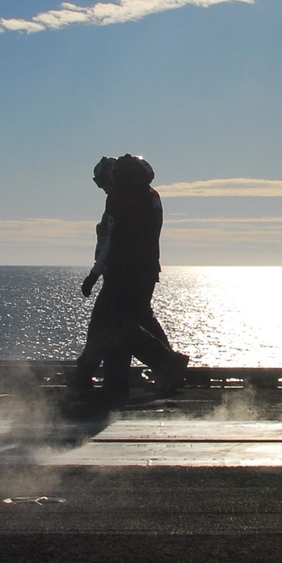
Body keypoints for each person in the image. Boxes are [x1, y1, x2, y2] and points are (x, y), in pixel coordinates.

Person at [73, 154, 189, 406]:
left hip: (122, 274)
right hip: (145, 273)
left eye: (101, 180)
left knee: (117, 329)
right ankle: (108, 382)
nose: (102, 186)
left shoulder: (120, 198)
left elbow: (111, 239)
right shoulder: (151, 196)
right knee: (133, 323)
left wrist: (93, 274)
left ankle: (166, 364)